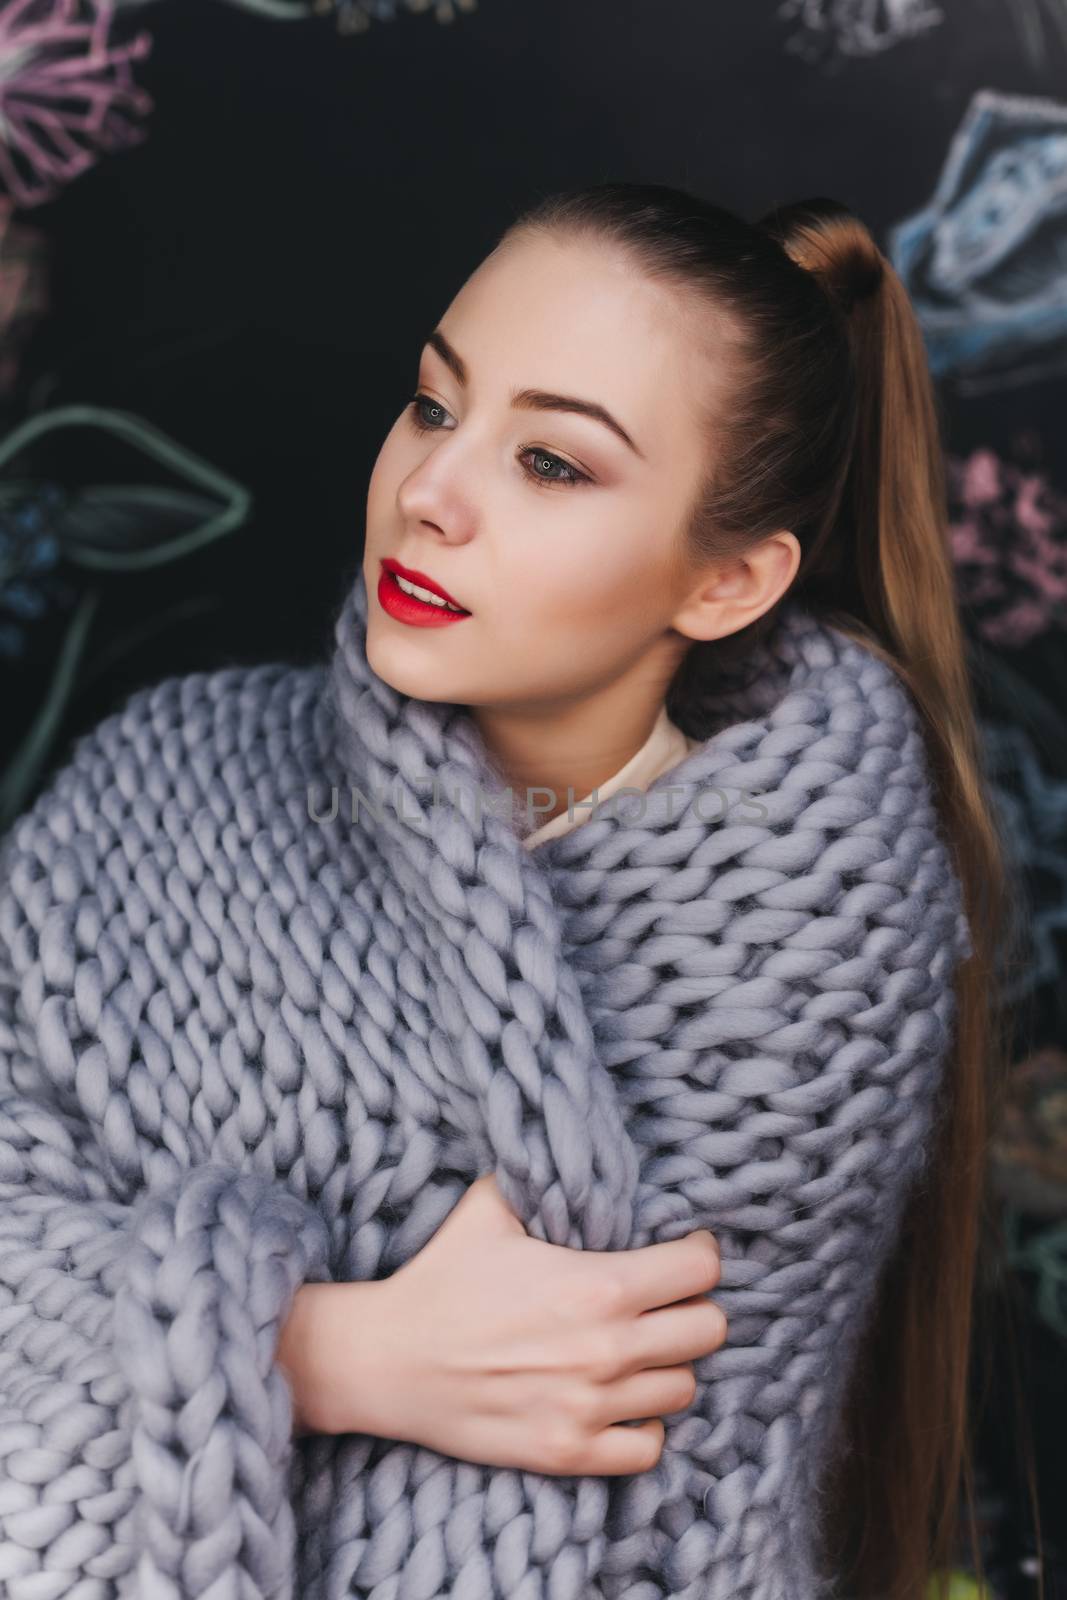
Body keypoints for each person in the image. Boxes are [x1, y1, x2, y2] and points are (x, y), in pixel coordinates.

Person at [0, 183, 1009, 1600]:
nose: (430, 492)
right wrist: (320, 1353)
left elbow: (676, 1508)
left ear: (726, 582)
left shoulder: (813, 945)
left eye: (550, 463)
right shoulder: (161, 789)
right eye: (432, 405)